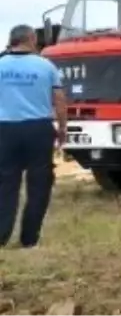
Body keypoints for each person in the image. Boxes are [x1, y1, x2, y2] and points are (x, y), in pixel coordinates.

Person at [0, 24, 67, 249]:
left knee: (6, 182)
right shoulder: (46, 66)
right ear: (30, 39)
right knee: (39, 183)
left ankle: (1, 235)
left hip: (5, 129)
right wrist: (62, 129)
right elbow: (59, 100)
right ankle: (29, 238)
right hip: (38, 129)